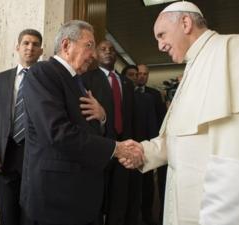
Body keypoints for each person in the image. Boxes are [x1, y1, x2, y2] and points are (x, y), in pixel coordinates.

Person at [121, 1, 239, 225]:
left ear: (185, 23)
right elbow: (184, 139)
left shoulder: (235, 49)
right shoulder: (194, 65)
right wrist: (144, 151)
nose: (160, 45)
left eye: (162, 35)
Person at [20, 20, 143, 225]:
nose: (93, 54)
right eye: (89, 45)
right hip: (56, 199)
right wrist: (116, 148)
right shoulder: (42, 73)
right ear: (66, 45)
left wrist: (102, 117)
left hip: (81, 196)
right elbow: (58, 133)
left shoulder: (78, 81)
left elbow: (88, 128)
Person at [0, 29, 43, 225]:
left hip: (35, 155)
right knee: (7, 214)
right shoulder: (2, 78)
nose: (30, 48)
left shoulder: (47, 79)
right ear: (17, 47)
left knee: (32, 216)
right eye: (26, 43)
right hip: (4, 155)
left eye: (35, 44)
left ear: (41, 51)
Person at [82, 40, 137, 225]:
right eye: (103, 49)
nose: (108, 52)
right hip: (100, 147)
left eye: (112, 49)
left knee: (119, 199)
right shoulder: (86, 79)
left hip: (125, 147)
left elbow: (130, 116)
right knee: (96, 198)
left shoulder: (127, 83)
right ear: (96, 54)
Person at [134, 64, 166, 225]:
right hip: (130, 143)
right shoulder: (126, 92)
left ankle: (147, 216)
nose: (141, 76)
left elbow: (160, 120)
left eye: (145, 74)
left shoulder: (154, 95)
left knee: (147, 186)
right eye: (139, 73)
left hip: (148, 145)